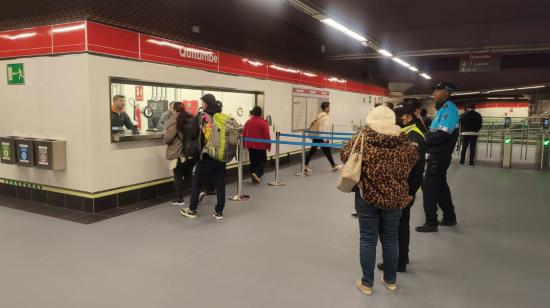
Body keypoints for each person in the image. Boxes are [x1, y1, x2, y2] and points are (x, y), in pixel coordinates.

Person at [341, 106, 418, 295]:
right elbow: (414, 160)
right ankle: (390, 280)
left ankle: (367, 283)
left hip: (367, 197)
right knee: (391, 239)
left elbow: (345, 155)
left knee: (368, 239)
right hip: (395, 198)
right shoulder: (403, 141)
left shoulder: (364, 137)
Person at [377, 103, 426, 273]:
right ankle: (402, 257)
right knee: (399, 224)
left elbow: (417, 169)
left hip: (405, 190)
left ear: (408, 117)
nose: (397, 120)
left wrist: (411, 192)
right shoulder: (405, 133)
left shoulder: (413, 137)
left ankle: (398, 262)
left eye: (400, 117)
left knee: (399, 226)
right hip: (402, 188)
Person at [416, 82, 460, 233]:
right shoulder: (443, 109)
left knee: (429, 188)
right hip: (438, 153)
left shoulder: (449, 109)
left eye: (437, 90)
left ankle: (431, 222)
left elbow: (442, 134)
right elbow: (435, 132)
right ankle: (449, 217)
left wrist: (423, 139)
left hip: (440, 155)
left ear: (446, 93)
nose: (434, 93)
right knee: (440, 186)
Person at [180, 94, 227, 220]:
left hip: (206, 155)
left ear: (205, 104)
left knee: (197, 183)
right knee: (220, 183)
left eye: (203, 103)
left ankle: (192, 209)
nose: (202, 105)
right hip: (220, 155)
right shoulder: (221, 116)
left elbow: (193, 132)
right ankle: (219, 212)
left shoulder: (203, 117)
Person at [163, 102, 200, 206]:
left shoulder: (173, 120)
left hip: (178, 151)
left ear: (174, 109)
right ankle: (198, 193)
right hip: (191, 151)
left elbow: (168, 138)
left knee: (178, 174)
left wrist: (164, 138)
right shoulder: (191, 118)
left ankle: (179, 199)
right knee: (188, 174)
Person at [305, 101, 342, 173]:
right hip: (321, 137)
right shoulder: (326, 117)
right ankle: (305, 166)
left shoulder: (319, 115)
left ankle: (333, 165)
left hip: (317, 136)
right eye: (329, 107)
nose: (330, 108)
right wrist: (325, 139)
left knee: (325, 151)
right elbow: (324, 128)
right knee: (314, 151)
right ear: (326, 108)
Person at [243, 106, 271, 183]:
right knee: (263, 160)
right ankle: (257, 174)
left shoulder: (248, 122)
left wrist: (244, 144)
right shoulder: (263, 123)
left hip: (250, 145)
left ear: (253, 113)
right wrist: (268, 145)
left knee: (253, 161)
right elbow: (267, 136)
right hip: (261, 146)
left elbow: (244, 134)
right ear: (261, 113)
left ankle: (253, 177)